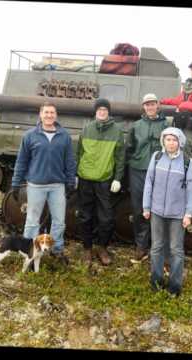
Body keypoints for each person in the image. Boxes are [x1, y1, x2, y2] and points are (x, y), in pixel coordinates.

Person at [11, 101, 76, 266]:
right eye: (46, 112)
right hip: (36, 185)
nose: (49, 115)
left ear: (56, 115)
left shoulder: (64, 136)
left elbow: (69, 161)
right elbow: (21, 161)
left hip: (57, 185)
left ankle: (57, 250)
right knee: (32, 221)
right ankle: (30, 251)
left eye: (52, 113)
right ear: (40, 115)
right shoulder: (30, 135)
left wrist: (70, 182)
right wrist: (16, 183)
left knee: (59, 221)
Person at [143, 127, 192, 296]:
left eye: (174, 140)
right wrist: (146, 206)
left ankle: (175, 286)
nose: (171, 143)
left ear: (179, 142)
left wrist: (189, 213)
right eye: (168, 139)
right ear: (163, 141)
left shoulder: (187, 161)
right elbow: (149, 182)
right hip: (157, 211)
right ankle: (156, 281)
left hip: (177, 214)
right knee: (157, 247)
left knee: (176, 250)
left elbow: (191, 188)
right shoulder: (157, 157)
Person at [76, 98, 125, 267]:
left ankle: (102, 247)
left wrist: (118, 178)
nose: (102, 112)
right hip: (85, 179)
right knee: (85, 215)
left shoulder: (117, 131)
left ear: (108, 112)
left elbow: (120, 157)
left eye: (105, 109)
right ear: (95, 112)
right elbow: (79, 153)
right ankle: (87, 248)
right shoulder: (87, 128)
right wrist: (76, 174)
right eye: (99, 109)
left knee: (106, 218)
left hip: (104, 180)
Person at [126, 93, 168, 264]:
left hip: (160, 171)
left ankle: (157, 247)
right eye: (147, 104)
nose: (150, 107)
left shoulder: (166, 125)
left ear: (158, 105)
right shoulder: (136, 126)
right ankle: (141, 246)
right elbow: (129, 148)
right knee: (140, 209)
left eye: (153, 104)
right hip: (138, 170)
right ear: (143, 107)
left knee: (159, 209)